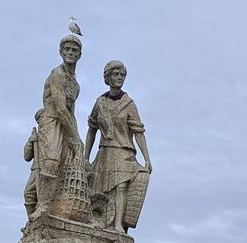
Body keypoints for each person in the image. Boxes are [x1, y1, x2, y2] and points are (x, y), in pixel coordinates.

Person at [83, 60, 151, 232]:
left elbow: (138, 132)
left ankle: (118, 225)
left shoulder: (129, 104)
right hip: (105, 153)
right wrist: (85, 157)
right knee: (98, 190)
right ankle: (101, 223)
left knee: (121, 187)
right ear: (108, 77)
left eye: (122, 74)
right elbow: (92, 129)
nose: (119, 77)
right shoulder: (100, 103)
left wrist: (147, 159)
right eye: (116, 74)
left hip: (124, 152)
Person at [32, 34, 84, 220]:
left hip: (65, 124)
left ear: (79, 54)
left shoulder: (74, 83)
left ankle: (54, 208)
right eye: (67, 49)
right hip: (52, 122)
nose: (71, 52)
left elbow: (71, 113)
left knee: (64, 165)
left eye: (74, 50)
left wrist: (77, 137)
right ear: (61, 52)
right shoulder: (57, 75)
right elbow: (61, 110)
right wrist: (74, 136)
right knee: (51, 163)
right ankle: (43, 208)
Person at [22, 109, 45, 218]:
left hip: (51, 168)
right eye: (40, 121)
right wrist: (31, 141)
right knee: (29, 193)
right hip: (36, 169)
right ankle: (31, 221)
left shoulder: (56, 133)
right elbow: (27, 157)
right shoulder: (36, 137)